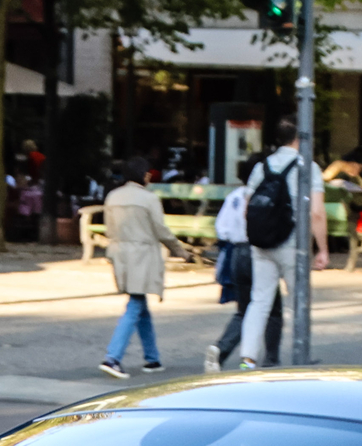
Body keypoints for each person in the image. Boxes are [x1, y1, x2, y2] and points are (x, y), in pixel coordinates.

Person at [95, 160, 201, 379]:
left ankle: (152, 358)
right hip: (142, 254)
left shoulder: (113, 197)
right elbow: (161, 230)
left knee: (140, 304)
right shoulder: (149, 199)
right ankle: (112, 357)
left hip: (120, 252)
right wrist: (182, 252)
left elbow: (109, 228)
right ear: (143, 175)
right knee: (135, 304)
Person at [237, 120, 327, 369]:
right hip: (292, 243)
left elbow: (247, 209)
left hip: (262, 244)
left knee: (260, 300)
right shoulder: (308, 167)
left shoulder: (260, 167)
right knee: (299, 299)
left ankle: (248, 358)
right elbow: (316, 212)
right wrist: (322, 249)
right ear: (299, 139)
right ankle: (300, 355)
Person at [205, 183, 280, 372]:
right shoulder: (264, 195)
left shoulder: (234, 196)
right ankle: (271, 359)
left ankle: (221, 349)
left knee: (244, 309)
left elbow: (221, 227)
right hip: (258, 251)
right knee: (272, 308)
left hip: (237, 252)